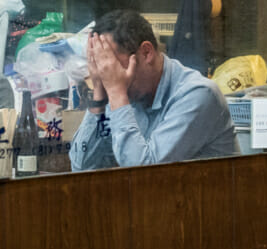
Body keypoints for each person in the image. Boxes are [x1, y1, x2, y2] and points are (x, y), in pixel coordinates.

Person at [70, 9, 237, 169]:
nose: (109, 74)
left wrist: (117, 93)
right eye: (102, 65)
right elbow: (82, 167)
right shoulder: (123, 91)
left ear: (146, 53)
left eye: (112, 64)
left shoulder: (198, 94)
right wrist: (99, 95)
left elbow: (144, 174)